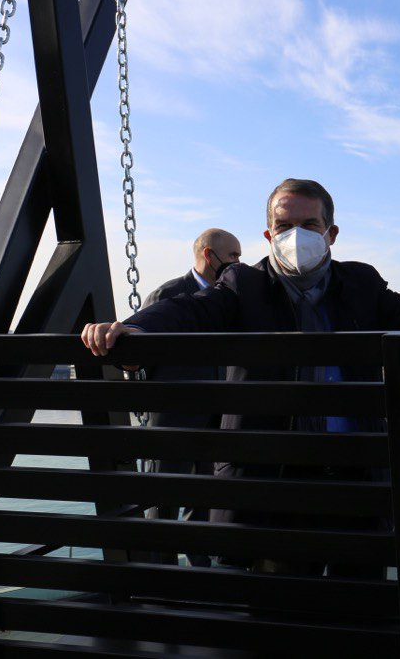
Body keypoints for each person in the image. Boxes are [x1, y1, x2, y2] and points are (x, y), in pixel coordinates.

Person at [80, 178, 400, 575]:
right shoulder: (242, 284)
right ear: (268, 234)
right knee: (280, 612)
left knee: (361, 605)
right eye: (284, 227)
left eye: (310, 225)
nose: (296, 236)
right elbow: (191, 310)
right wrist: (136, 331)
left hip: (357, 478)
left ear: (331, 234)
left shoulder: (361, 283)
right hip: (273, 486)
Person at [141, 228, 243, 566]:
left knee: (203, 505)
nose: (238, 264)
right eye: (233, 256)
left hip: (215, 421)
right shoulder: (168, 295)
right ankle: (161, 583)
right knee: (164, 505)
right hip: (174, 421)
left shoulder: (228, 302)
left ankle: (201, 580)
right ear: (209, 255)